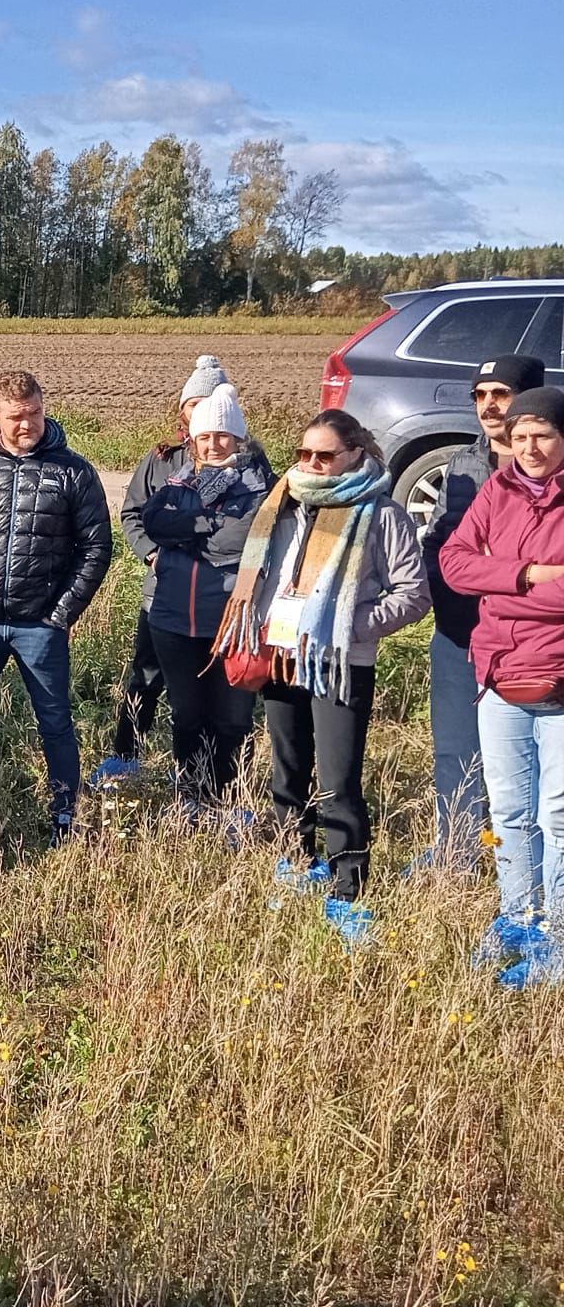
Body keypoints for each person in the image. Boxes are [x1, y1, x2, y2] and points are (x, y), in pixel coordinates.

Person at [214, 409, 429, 941]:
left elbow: (413, 594)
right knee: (287, 768)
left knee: (338, 779)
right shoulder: (284, 502)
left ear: (355, 454)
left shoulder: (381, 514)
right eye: (303, 453)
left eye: (324, 455)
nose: (310, 463)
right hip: (280, 654)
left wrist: (344, 624)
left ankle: (347, 887)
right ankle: (294, 859)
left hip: (339, 661)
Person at [0, 371, 113, 839]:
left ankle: (65, 813)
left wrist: (60, 615)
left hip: (40, 626)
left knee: (54, 720)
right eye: (16, 416)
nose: (27, 424)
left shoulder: (73, 471)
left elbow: (96, 548)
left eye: (34, 413)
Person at [438, 386, 564, 988]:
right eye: (520, 438)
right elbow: (454, 564)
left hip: (558, 677)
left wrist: (499, 587)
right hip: (499, 673)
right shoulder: (498, 490)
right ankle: (517, 918)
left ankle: (557, 934)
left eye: (543, 435)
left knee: (558, 814)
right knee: (511, 810)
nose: (530, 448)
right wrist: (531, 574)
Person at [421, 354, 547, 870]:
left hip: (531, 643)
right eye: (480, 394)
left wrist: (491, 570)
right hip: (458, 634)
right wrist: (449, 585)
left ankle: (525, 864)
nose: (488, 405)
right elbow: (441, 547)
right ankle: (455, 856)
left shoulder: (549, 476)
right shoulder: (461, 464)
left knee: (531, 761)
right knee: (455, 750)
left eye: (501, 393)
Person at [97, 354, 234, 786]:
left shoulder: (244, 467)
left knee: (207, 690)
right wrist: (153, 554)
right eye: (195, 404)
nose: (202, 412)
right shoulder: (162, 459)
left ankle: (203, 774)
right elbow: (132, 512)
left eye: (212, 404)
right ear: (183, 409)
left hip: (218, 600)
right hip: (162, 594)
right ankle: (126, 754)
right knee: (145, 674)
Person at [139, 385, 273, 809]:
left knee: (231, 719)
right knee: (186, 716)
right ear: (193, 441)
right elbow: (153, 522)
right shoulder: (180, 480)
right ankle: (190, 796)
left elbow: (233, 542)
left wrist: (187, 530)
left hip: (230, 623)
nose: (214, 445)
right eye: (205, 437)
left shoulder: (258, 487)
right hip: (173, 622)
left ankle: (228, 799)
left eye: (222, 436)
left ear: (238, 438)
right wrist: (206, 525)